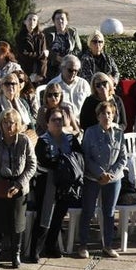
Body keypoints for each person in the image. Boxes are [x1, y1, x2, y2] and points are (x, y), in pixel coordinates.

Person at [0, 109, 38, 268]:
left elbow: (32, 165)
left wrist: (19, 183)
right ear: (1, 123)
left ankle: (15, 254)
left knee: (17, 223)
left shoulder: (24, 141)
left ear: (18, 124)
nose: (9, 126)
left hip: (18, 184)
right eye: (6, 122)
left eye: (12, 123)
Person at [28, 107, 83, 261]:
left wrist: (66, 163)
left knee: (59, 216)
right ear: (47, 123)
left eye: (60, 119)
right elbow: (45, 160)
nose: (58, 122)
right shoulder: (43, 141)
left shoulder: (71, 139)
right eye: (54, 119)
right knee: (44, 216)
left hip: (66, 184)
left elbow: (79, 156)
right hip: (47, 183)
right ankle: (35, 251)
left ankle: (51, 247)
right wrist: (65, 161)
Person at [77, 101, 128, 259]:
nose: (107, 116)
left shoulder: (119, 133)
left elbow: (123, 158)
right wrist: (100, 174)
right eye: (103, 114)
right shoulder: (90, 132)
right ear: (98, 116)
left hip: (113, 179)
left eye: (109, 113)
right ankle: (83, 245)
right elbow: (86, 156)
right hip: (93, 177)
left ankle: (108, 245)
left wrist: (111, 174)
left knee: (109, 212)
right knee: (88, 211)